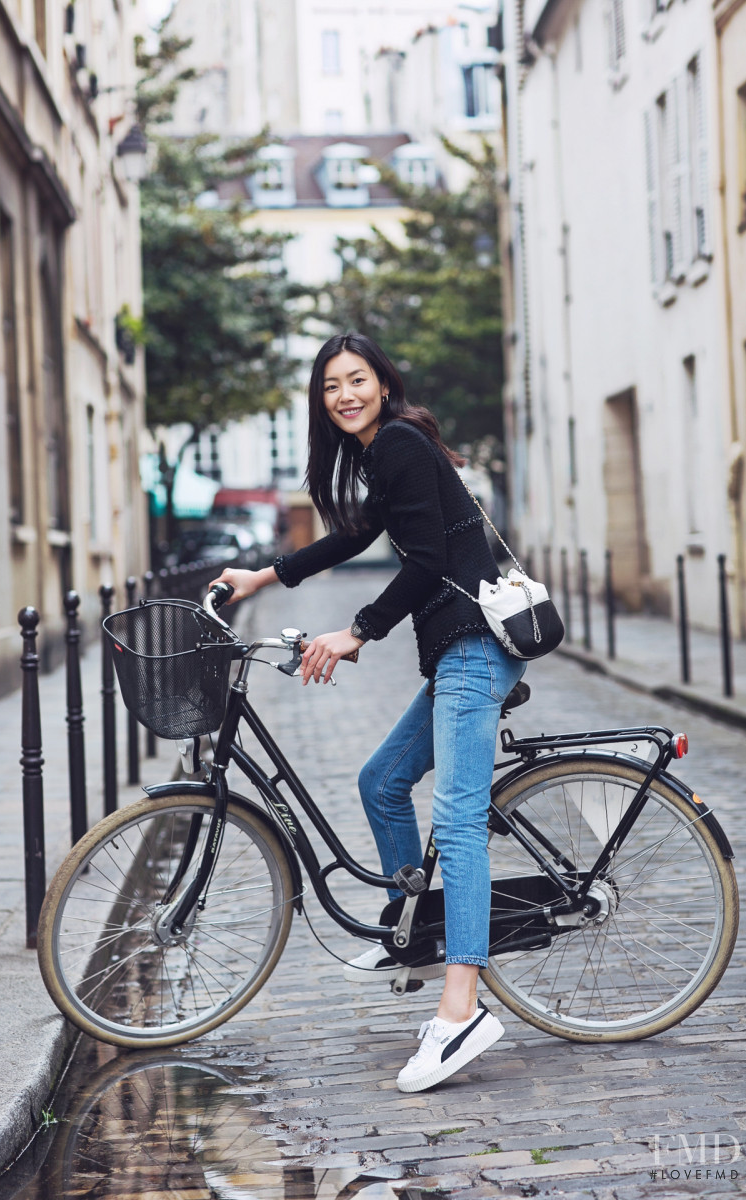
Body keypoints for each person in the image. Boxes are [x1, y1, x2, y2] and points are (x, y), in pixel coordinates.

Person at [211, 331, 525, 1092]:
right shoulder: (385, 452)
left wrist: (356, 632)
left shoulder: (403, 445)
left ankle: (461, 1012)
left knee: (455, 823)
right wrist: (265, 576)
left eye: (357, 380)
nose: (345, 394)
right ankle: (410, 929)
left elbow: (425, 562)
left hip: (474, 649)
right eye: (330, 387)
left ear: (383, 383)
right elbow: (358, 534)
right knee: (382, 781)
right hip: (457, 651)